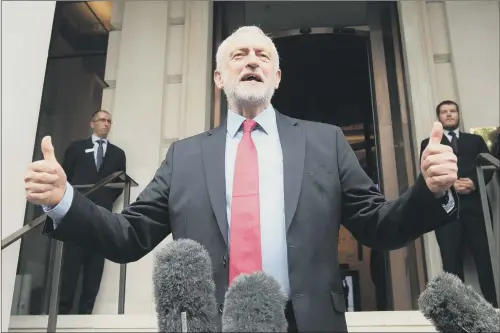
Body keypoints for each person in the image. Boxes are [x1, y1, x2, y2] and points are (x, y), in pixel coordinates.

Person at [25, 26, 458, 332]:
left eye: (263, 56)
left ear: (276, 76)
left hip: (305, 323)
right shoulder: (185, 155)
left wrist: (429, 191)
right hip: (212, 323)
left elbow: (377, 226)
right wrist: (66, 201)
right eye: (239, 55)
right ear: (220, 78)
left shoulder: (325, 142)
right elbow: (129, 235)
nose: (252, 61)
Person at [419, 100, 497, 307]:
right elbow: (427, 171)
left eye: (452, 111)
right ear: (439, 117)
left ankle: (494, 306)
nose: (449, 114)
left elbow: (487, 164)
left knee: (485, 258)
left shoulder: (475, 140)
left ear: (458, 114)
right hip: (445, 210)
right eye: (444, 112)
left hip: (475, 208)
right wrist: (452, 185)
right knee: (451, 261)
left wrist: (473, 182)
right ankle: (458, 310)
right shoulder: (429, 143)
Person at [56, 110, 127, 314]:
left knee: (95, 266)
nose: (106, 124)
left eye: (109, 121)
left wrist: (104, 201)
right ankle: (62, 311)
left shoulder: (117, 153)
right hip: (75, 214)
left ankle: (86, 312)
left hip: (102, 217)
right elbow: (65, 178)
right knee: (71, 263)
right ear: (92, 123)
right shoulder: (76, 148)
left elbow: (120, 184)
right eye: (102, 120)